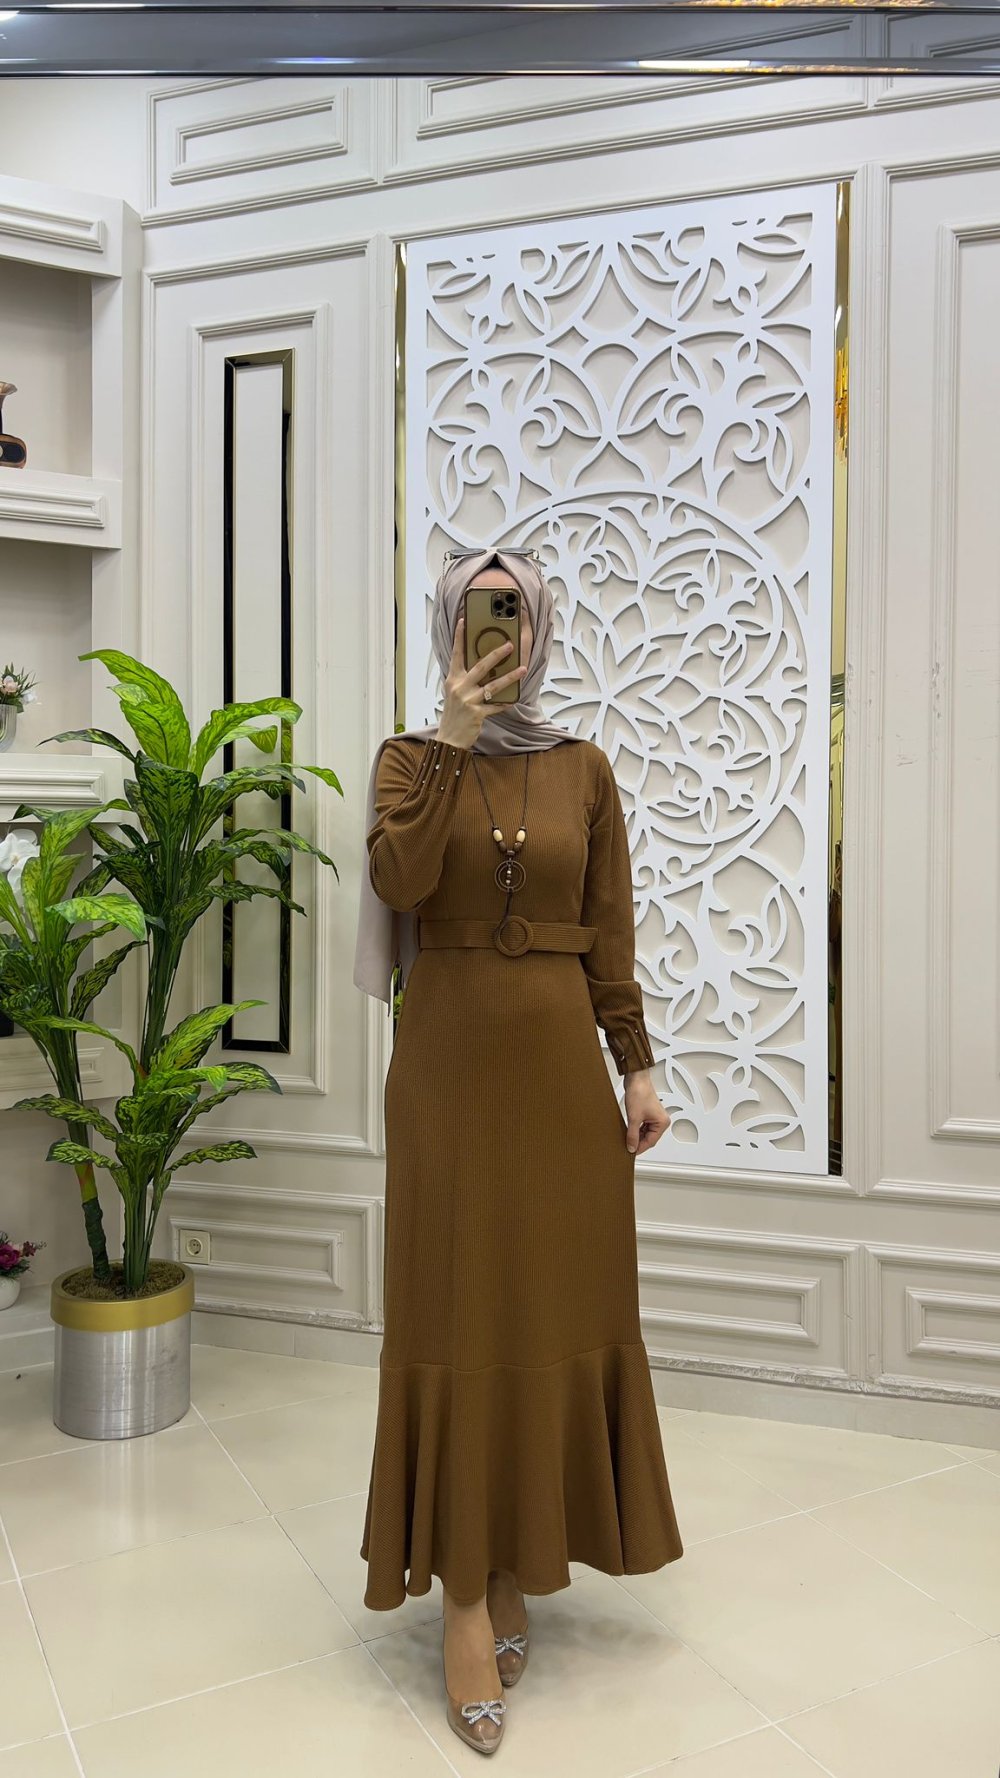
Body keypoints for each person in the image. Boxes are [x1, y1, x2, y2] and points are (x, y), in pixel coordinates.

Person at [353, 547, 684, 1756]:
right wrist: (452, 736)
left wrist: (634, 1062)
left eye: (515, 613)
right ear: (449, 625)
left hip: (555, 1074)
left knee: (542, 1307)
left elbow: (608, 929)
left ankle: (510, 1563)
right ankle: (460, 1596)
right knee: (453, 1314)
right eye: (478, 612)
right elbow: (400, 879)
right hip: (443, 1067)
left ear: (539, 629)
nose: (498, 631)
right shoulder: (405, 758)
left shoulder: (583, 766)